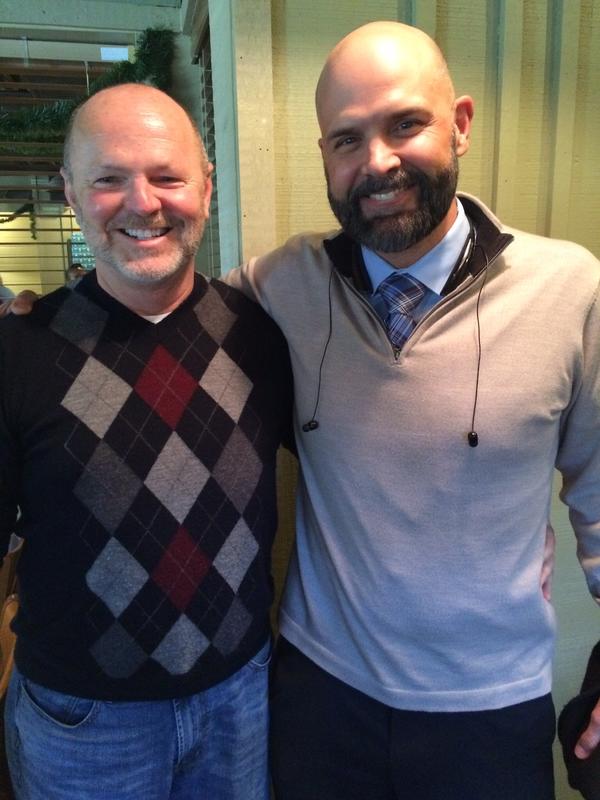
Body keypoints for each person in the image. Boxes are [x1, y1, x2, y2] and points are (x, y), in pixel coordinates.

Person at [226, 21, 600, 800]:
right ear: (324, 155)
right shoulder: (284, 283)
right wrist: (42, 321)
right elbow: (163, 313)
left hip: (490, 710)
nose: (376, 162)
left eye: (405, 124)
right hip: (320, 696)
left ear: (460, 123)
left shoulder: (571, 291)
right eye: (347, 139)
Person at [0, 83, 292, 800]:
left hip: (241, 700)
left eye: (167, 176)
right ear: (70, 192)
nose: (143, 202)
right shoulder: (18, 351)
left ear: (206, 187)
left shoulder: (262, 335)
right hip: (83, 723)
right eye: (109, 179)